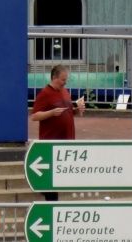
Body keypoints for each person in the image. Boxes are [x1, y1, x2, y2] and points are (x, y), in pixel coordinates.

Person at [30, 64, 85, 200]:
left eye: (66, 79)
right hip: (51, 140)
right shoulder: (45, 93)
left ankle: (49, 192)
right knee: (52, 174)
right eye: (62, 79)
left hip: (66, 138)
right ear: (54, 77)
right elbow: (35, 116)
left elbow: (68, 112)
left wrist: (77, 110)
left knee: (59, 172)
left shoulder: (65, 92)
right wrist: (51, 112)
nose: (64, 82)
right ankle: (49, 197)